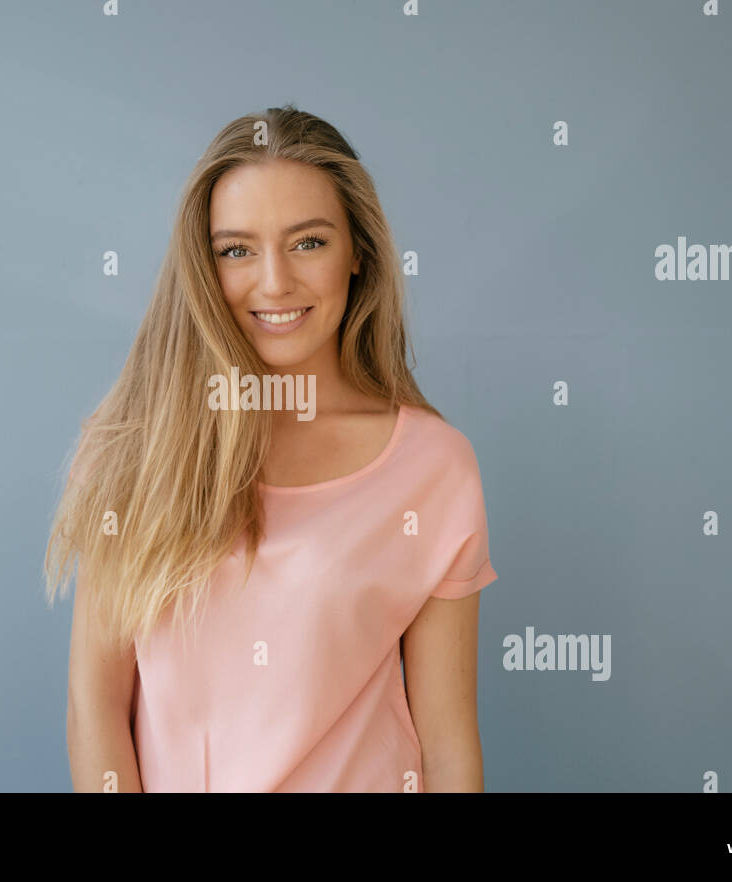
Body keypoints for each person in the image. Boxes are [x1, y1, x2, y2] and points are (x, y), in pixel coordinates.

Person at [43, 104, 498, 792]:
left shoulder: (433, 468)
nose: (275, 282)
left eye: (308, 242)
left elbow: (448, 746)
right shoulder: (133, 449)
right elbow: (94, 709)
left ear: (358, 255)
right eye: (237, 250)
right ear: (204, 267)